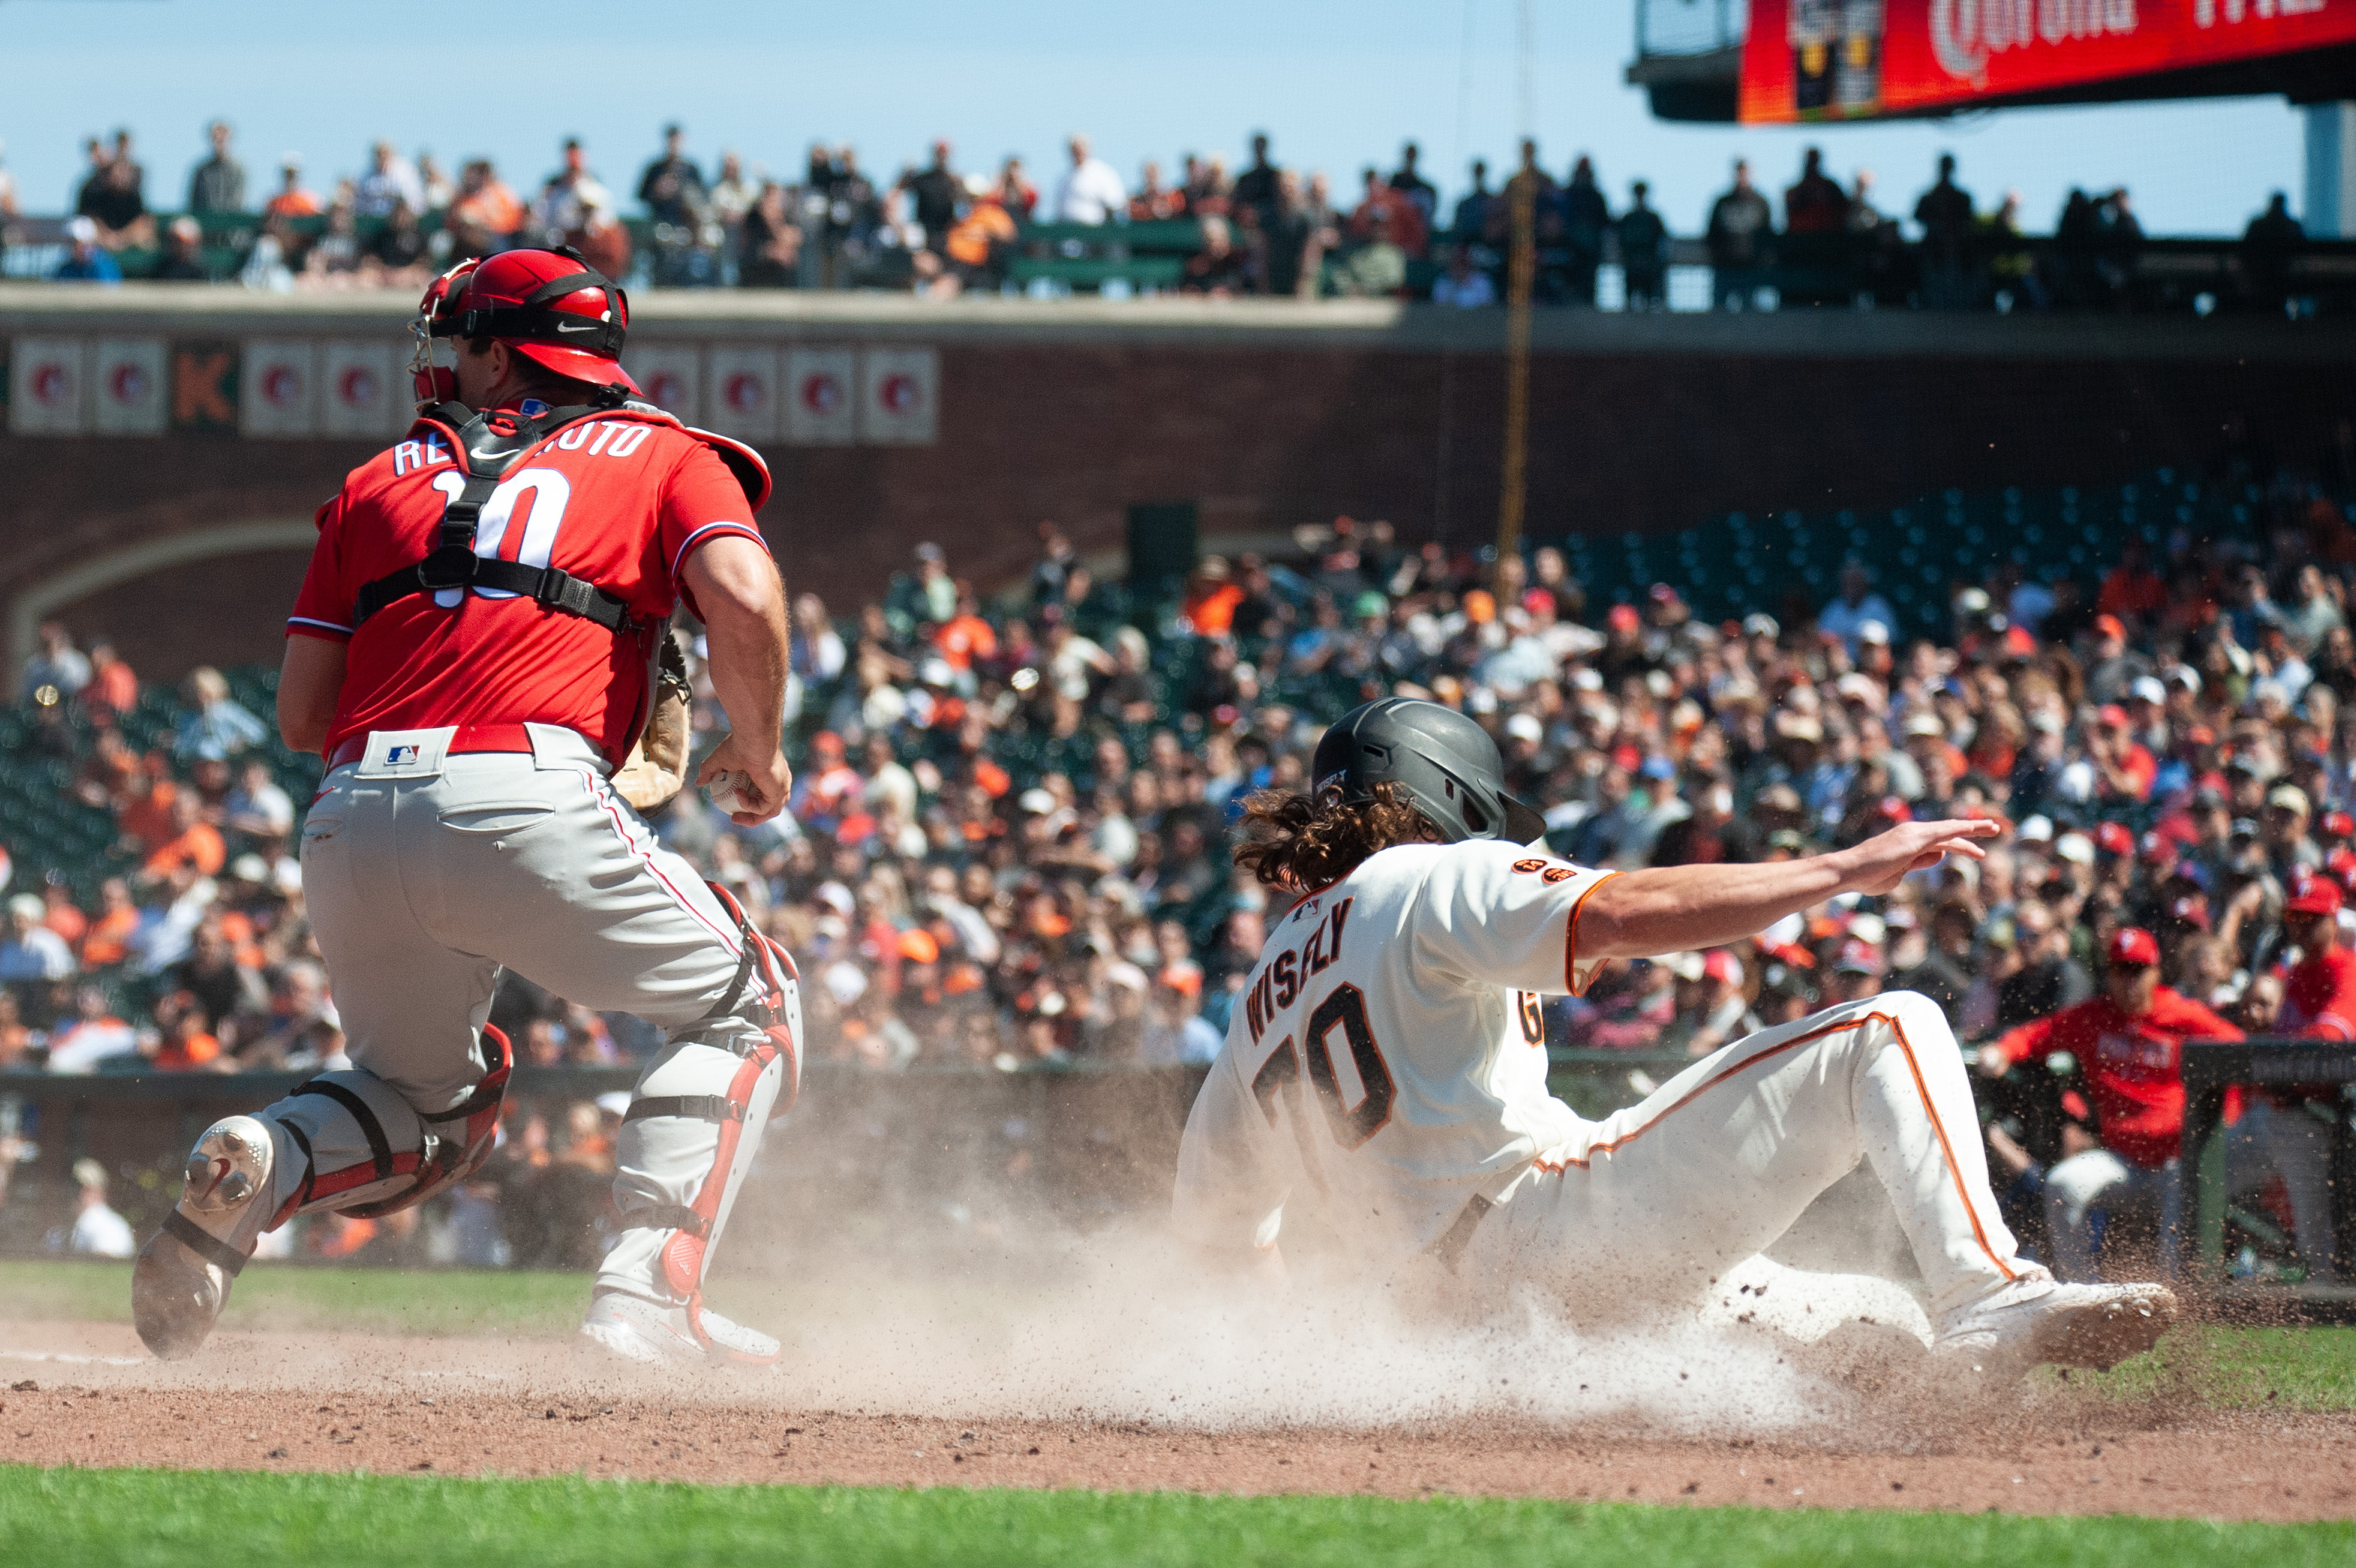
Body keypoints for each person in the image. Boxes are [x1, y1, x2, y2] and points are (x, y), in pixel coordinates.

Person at [131, 247, 802, 1372]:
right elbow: (740, 591)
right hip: (528, 788)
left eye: (459, 343)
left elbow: (303, 715)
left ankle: (267, 1154)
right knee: (753, 1003)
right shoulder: (668, 455)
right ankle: (645, 1298)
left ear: (499, 353)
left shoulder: (378, 476)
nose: (447, 363)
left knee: (421, 1105)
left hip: (350, 810)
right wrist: (762, 746)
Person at [1173, 698, 2177, 1380]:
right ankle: (1989, 1293)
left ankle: (1953, 1373)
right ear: (1449, 796)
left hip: (1471, 1336)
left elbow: (1219, 1244)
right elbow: (1618, 913)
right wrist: (1839, 868)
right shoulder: (1423, 875)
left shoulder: (1255, 1003)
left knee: (1883, 1335)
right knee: (1889, 1025)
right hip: (1555, 1231)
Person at [1978, 927, 2241, 1280]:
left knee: (2177, 1231)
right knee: (2061, 1185)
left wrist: (2228, 1121)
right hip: (2122, 1161)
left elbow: (2240, 1054)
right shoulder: (2093, 1016)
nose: (2129, 980)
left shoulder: (2181, 1014)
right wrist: (2003, 1050)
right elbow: (2038, 1034)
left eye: (2137, 970)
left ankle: (2178, 1305)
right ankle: (2084, 1295)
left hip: (2177, 1162)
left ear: (2155, 973)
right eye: (2120, 970)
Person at [1705, 159, 1771, 310]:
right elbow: (1712, 233)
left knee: (1751, 314)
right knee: (1719, 313)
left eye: (1745, 173)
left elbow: (1767, 234)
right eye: (1739, 172)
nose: (1741, 176)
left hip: (1751, 268)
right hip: (1725, 267)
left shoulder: (1760, 203)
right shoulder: (1722, 202)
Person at [1052, 134, 1127, 225]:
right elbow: (1059, 210)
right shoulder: (1064, 179)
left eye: (1080, 150)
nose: (1078, 154)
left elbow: (1116, 204)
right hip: (1070, 234)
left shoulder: (1103, 173)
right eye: (1075, 151)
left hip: (1096, 234)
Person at [1617, 181, 1668, 311]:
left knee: (1649, 303)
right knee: (1632, 303)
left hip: (1648, 266)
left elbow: (1662, 241)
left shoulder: (1650, 218)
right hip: (1634, 266)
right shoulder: (1629, 218)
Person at [187, 120, 245, 215]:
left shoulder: (238, 170)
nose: (219, 144)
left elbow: (238, 202)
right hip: (206, 223)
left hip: (230, 223)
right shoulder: (202, 170)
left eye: (222, 140)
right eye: (216, 139)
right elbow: (193, 201)